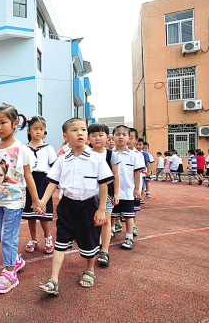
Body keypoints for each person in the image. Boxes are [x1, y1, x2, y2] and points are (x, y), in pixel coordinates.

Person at [38, 118, 114, 294]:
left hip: (89, 207)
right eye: (74, 130)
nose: (80, 133)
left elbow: (104, 185)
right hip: (66, 207)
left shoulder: (96, 159)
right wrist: (42, 201)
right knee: (60, 242)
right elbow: (52, 183)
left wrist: (102, 209)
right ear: (65, 136)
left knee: (88, 242)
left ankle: (89, 269)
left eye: (83, 130)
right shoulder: (62, 160)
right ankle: (53, 280)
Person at [0, 103, 45, 294]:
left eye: (3, 122)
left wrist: (36, 201)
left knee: (8, 237)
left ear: (15, 124)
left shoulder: (21, 149)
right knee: (0, 235)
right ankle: (16, 259)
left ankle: (10, 273)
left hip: (14, 202)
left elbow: (28, 176)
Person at [22, 116, 57, 254]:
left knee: (43, 212)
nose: (38, 131)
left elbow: (55, 167)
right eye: (35, 128)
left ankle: (48, 237)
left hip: (44, 181)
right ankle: (33, 239)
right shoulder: (24, 148)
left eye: (41, 129)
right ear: (28, 130)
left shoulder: (48, 148)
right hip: (29, 182)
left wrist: (56, 181)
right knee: (30, 214)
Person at [88, 123, 120, 266]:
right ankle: (96, 244)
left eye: (101, 135)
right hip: (89, 193)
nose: (97, 138)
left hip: (107, 193)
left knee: (106, 221)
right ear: (88, 138)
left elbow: (116, 175)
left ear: (107, 137)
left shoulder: (110, 154)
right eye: (93, 135)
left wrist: (116, 193)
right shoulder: (85, 153)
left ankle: (105, 251)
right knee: (92, 220)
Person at [110, 125, 143, 250]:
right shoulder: (109, 154)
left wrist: (137, 189)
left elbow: (137, 173)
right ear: (113, 137)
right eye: (117, 134)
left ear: (128, 138)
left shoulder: (133, 155)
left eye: (124, 134)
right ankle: (111, 230)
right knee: (112, 214)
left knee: (129, 216)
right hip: (113, 191)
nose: (121, 137)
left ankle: (129, 237)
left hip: (128, 191)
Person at [128, 129, 145, 237]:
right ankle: (116, 223)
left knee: (134, 208)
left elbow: (139, 172)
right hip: (120, 186)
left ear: (136, 139)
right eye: (126, 136)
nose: (128, 140)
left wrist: (137, 188)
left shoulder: (138, 155)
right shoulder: (115, 152)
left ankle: (133, 225)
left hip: (133, 185)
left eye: (131, 137)